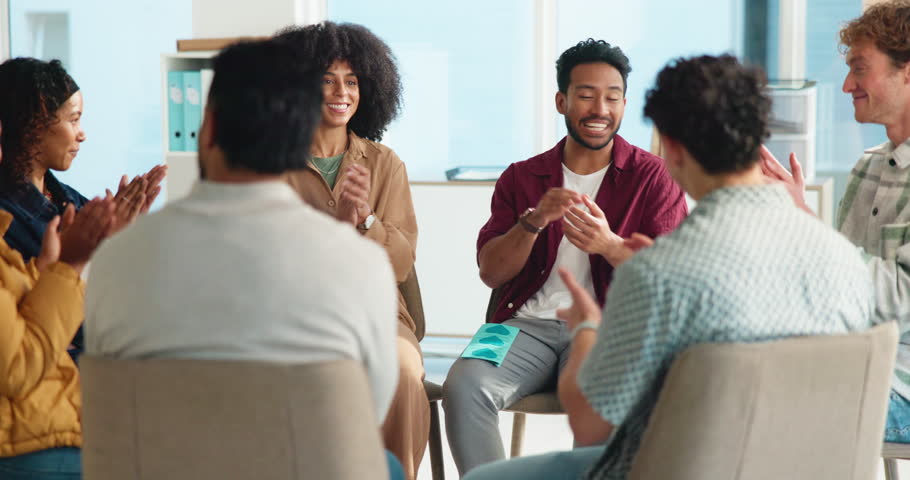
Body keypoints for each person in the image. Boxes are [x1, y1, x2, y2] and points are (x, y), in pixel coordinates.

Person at [464, 54, 875, 480]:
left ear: (672, 148)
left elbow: (590, 423)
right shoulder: (844, 259)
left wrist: (587, 328)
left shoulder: (662, 272)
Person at [82, 38, 404, 479]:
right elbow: (367, 410)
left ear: (208, 129)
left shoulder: (116, 260)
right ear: (299, 140)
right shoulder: (360, 265)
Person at [442, 38, 688, 475]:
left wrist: (608, 244)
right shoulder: (522, 176)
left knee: (605, 398)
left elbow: (670, 279)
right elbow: (490, 271)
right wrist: (532, 223)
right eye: (586, 95)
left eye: (612, 97)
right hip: (523, 327)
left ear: (624, 104)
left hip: (606, 328)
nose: (600, 109)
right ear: (562, 101)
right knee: (464, 386)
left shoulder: (654, 176)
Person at [274, 22, 428, 479]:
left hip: (378, 312)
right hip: (298, 316)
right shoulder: (269, 165)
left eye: (353, 80)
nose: (341, 91)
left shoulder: (385, 163)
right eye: (326, 78)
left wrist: (364, 220)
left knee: (401, 373)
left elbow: (401, 261)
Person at [761, 0, 910, 444]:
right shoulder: (868, 167)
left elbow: (898, 299)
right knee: (720, 380)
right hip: (846, 361)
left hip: (899, 383)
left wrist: (805, 222)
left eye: (860, 69)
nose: (847, 85)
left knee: (768, 412)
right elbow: (835, 289)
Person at [0, 57, 166, 358]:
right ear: (34, 122)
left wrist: (122, 236)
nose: (82, 134)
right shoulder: (6, 221)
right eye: (73, 119)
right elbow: (78, 328)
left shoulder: (69, 200)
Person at [0, 118, 119, 480]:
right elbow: (16, 368)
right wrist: (68, 267)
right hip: (30, 446)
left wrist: (49, 267)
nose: (82, 132)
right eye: (71, 118)